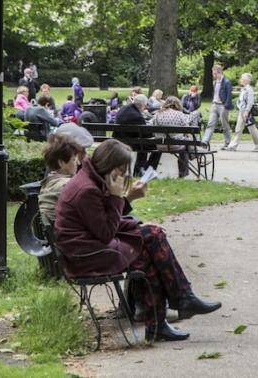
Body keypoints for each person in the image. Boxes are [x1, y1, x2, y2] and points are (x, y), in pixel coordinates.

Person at [54, 139, 222, 342]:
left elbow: (103, 224)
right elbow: (106, 231)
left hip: (90, 247)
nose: (125, 174)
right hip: (87, 256)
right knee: (151, 239)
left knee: (150, 238)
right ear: (110, 165)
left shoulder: (92, 178)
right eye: (123, 169)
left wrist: (136, 225)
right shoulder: (87, 189)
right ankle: (178, 303)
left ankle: (165, 317)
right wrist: (117, 197)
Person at [115, 94, 161, 174]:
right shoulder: (137, 116)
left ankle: (140, 169)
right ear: (142, 105)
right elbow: (147, 135)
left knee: (143, 142)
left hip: (119, 138)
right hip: (130, 142)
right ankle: (147, 170)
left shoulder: (124, 108)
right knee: (158, 146)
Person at [150, 96, 192, 178]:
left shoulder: (158, 113)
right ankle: (183, 173)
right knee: (186, 143)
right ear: (177, 104)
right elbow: (187, 130)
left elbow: (151, 127)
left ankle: (150, 171)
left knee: (184, 142)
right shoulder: (180, 114)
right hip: (177, 146)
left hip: (160, 145)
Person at [226, 73, 258, 152]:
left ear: (247, 80)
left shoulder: (249, 89)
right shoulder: (244, 89)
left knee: (251, 128)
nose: (241, 80)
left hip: (246, 112)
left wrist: (246, 111)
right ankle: (233, 146)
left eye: (242, 78)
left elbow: (250, 102)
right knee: (239, 128)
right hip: (242, 111)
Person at [201, 65, 233, 148]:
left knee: (225, 126)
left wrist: (226, 106)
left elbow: (229, 95)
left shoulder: (226, 82)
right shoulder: (214, 82)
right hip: (214, 105)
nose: (212, 74)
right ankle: (205, 141)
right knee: (210, 124)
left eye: (214, 73)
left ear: (219, 72)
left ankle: (228, 142)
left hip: (222, 106)